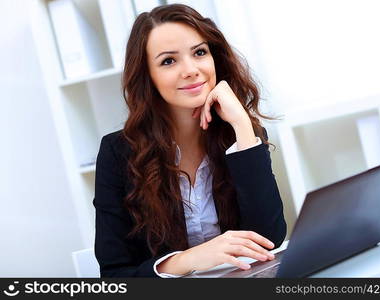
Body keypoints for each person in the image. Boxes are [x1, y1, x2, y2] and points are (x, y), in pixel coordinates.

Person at [93, 3, 286, 278]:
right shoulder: (118, 153)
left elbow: (269, 238)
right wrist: (188, 260)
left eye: (199, 52)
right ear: (148, 77)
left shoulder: (241, 135)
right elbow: (115, 276)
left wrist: (242, 124)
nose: (192, 69)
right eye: (168, 61)